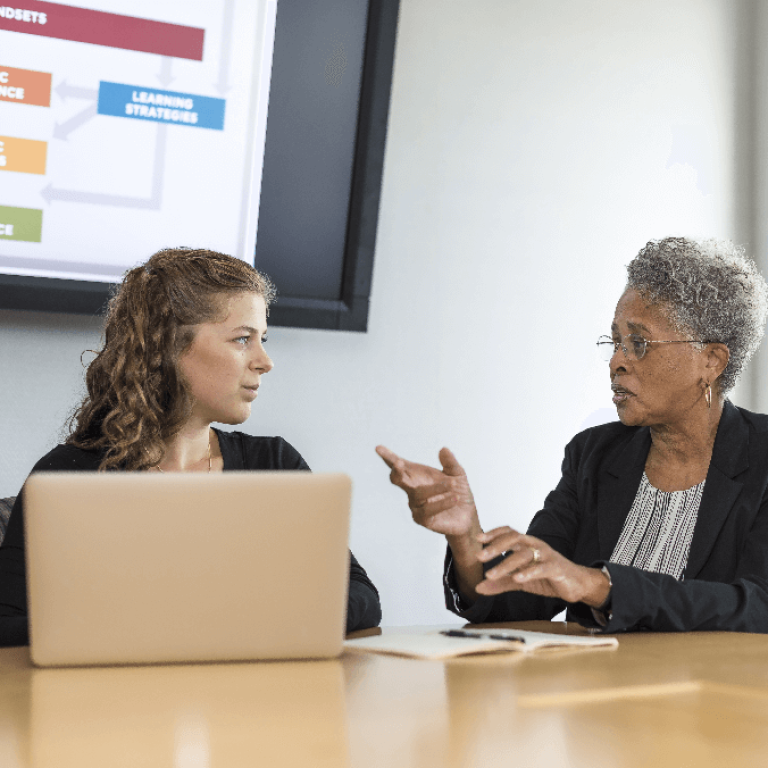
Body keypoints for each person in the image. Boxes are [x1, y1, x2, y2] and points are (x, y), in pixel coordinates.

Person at [378, 236, 768, 633]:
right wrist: (467, 537)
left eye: (638, 343)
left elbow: (757, 607)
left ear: (711, 361)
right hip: (594, 689)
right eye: (615, 342)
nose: (617, 361)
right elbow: (524, 598)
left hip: (718, 692)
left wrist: (600, 586)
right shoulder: (594, 455)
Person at [0, 248, 381, 646]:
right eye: (242, 339)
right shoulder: (70, 473)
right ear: (168, 348)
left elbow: (360, 597)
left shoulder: (273, 463)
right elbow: (6, 622)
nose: (265, 361)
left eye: (262, 339)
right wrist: (149, 624)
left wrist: (245, 618)